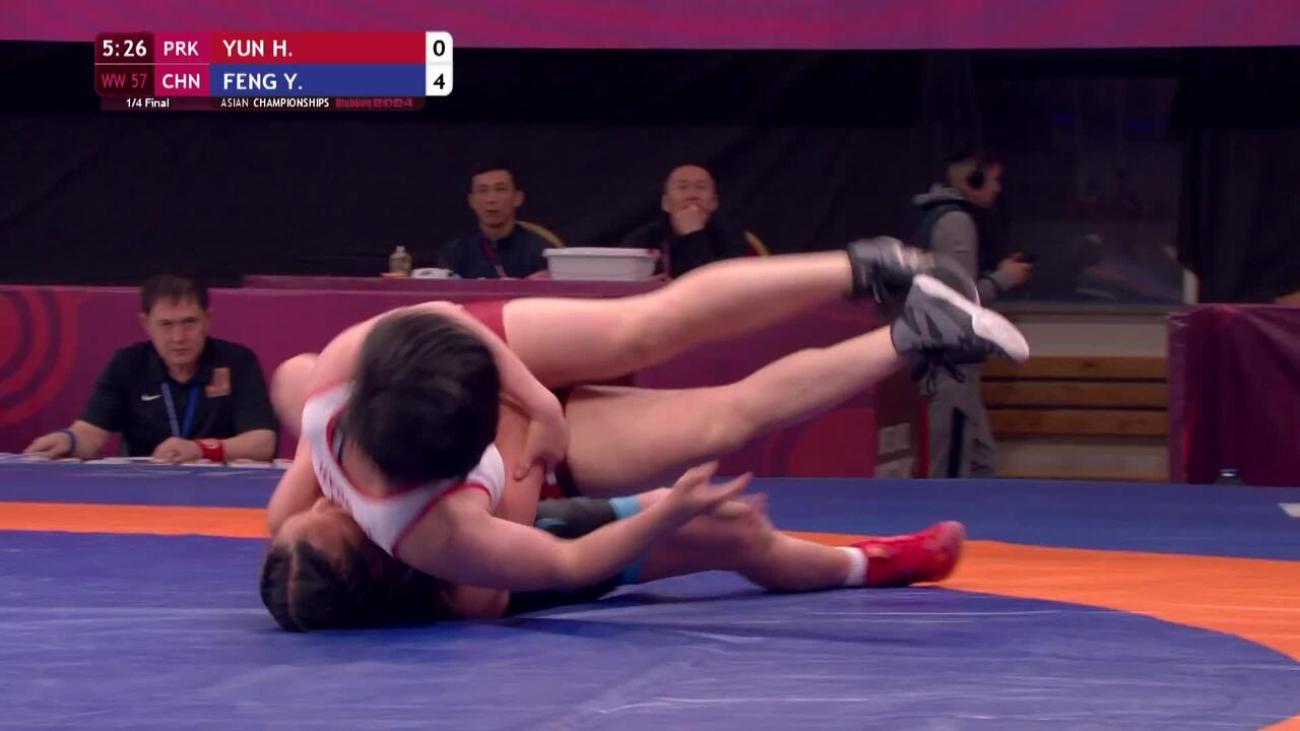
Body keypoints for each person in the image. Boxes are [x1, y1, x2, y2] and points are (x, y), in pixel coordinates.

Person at [260, 239, 1025, 627]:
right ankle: (917, 334)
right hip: (527, 459)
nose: (327, 501)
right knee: (725, 418)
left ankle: (873, 266)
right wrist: (540, 451)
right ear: (384, 555)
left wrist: (535, 398)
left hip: (469, 380)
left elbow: (437, 321)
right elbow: (563, 560)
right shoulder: (444, 543)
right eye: (340, 518)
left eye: (316, 505)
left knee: (644, 326)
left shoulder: (332, 394)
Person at [23, 274, 277, 463]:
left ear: (208, 319)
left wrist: (201, 449)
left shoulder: (237, 361)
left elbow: (262, 442)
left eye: (189, 323)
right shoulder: (127, 364)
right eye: (166, 325)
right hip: (143, 491)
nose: (178, 337)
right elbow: (90, 434)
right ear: (146, 324)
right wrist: (68, 440)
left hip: (221, 487)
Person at [912, 149, 1033, 478]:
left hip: (955, 363)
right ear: (973, 180)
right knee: (952, 469)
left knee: (981, 462)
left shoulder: (942, 217)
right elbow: (958, 300)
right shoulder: (955, 221)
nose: (997, 188)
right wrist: (1004, 278)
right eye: (993, 180)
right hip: (949, 363)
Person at [621, 164, 753, 278]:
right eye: (683, 187)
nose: (692, 195)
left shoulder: (730, 236)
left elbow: (722, 285)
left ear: (714, 202)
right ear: (666, 203)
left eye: (700, 187)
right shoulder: (645, 237)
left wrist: (694, 235)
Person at [427, 161, 551, 279]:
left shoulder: (541, 253)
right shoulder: (454, 254)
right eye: (482, 190)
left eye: (500, 189)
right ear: (471, 201)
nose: (491, 199)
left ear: (518, 198)